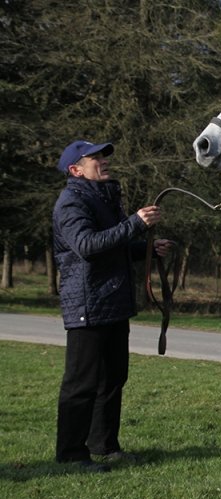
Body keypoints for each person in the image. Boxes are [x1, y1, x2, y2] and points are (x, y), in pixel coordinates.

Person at [52, 139, 171, 472]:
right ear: (76, 170)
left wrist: (146, 249)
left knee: (113, 378)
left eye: (104, 156)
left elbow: (111, 246)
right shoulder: (71, 202)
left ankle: (104, 446)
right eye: (95, 158)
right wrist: (135, 223)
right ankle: (71, 455)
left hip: (113, 302)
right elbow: (86, 246)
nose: (104, 161)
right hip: (86, 305)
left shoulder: (104, 198)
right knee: (81, 383)